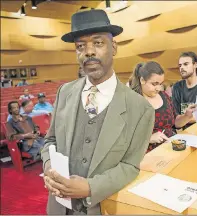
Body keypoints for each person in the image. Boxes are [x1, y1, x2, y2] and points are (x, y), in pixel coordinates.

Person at [41, 9, 155, 215]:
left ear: (114, 48)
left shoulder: (141, 108)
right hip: (59, 206)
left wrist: (90, 188)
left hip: (103, 208)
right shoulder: (64, 93)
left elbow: (130, 166)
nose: (89, 51)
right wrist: (50, 169)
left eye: (98, 43)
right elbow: (50, 142)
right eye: (80, 46)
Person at [130, 61, 195, 152]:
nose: (158, 88)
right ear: (142, 80)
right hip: (148, 154)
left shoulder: (164, 95)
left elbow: (175, 123)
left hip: (170, 148)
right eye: (154, 84)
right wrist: (149, 139)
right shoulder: (132, 102)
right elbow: (124, 138)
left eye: (160, 84)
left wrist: (187, 116)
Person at [172, 51, 197, 128]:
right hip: (183, 132)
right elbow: (176, 119)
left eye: (186, 64)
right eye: (180, 65)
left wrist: (183, 118)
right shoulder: (176, 87)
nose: (182, 68)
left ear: (195, 65)